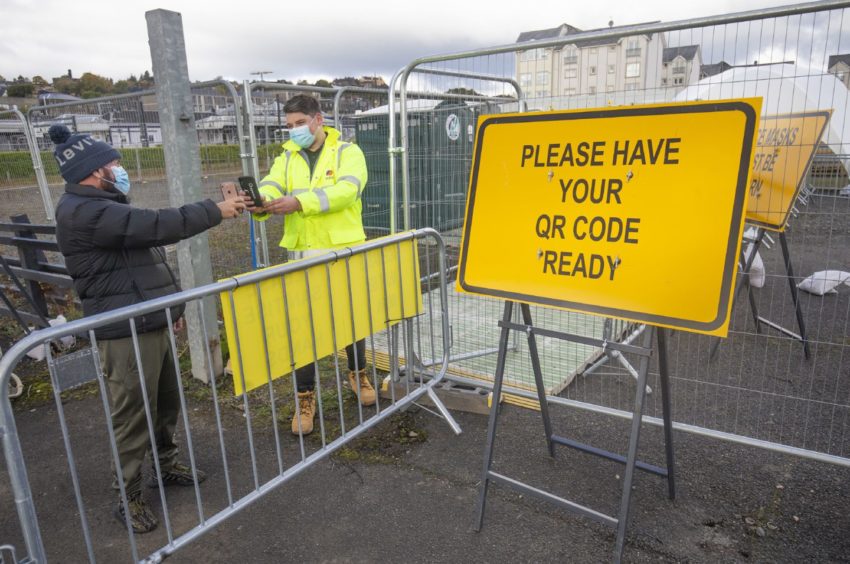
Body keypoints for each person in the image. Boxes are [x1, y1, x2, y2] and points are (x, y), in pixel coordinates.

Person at [49, 124, 246, 533]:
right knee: (133, 414)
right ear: (92, 170)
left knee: (165, 403)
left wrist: (167, 309)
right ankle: (130, 494)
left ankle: (167, 464)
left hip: (146, 319)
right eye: (113, 163)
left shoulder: (106, 204)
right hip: (123, 332)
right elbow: (158, 225)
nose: (120, 169)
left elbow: (145, 263)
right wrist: (215, 210)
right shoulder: (87, 211)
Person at [248, 94, 373, 436]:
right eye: (288, 126)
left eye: (299, 123)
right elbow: (273, 183)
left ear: (318, 120)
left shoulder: (348, 152)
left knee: (351, 319)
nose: (294, 131)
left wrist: (298, 202)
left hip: (342, 251)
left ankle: (358, 374)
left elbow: (348, 191)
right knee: (302, 329)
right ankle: (305, 399)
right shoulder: (286, 156)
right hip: (302, 254)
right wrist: (261, 202)